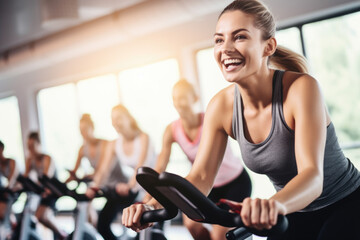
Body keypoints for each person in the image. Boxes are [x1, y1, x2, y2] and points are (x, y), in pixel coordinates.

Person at [122, 1, 360, 239]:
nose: (225, 48)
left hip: (345, 203)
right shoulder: (222, 106)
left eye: (239, 37)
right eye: (219, 39)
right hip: (293, 210)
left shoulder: (301, 89)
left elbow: (312, 175)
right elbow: (201, 176)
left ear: (268, 46)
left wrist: (273, 205)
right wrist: (152, 206)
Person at [148, 79, 252, 240]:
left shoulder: (210, 119)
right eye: (175, 98)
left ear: (194, 98)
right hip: (206, 187)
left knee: (220, 236)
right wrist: (150, 193)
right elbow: (161, 163)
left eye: (183, 97)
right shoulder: (172, 130)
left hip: (234, 183)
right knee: (192, 225)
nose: (179, 103)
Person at [87, 104, 156, 240]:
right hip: (134, 189)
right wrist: (94, 186)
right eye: (112, 120)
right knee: (102, 224)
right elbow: (103, 170)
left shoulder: (143, 138)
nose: (115, 123)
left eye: (118, 118)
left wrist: (130, 186)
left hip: (151, 188)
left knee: (145, 231)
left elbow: (141, 167)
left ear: (129, 118)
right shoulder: (114, 144)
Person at [23, 132, 68, 239]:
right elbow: (26, 177)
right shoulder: (30, 160)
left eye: (33, 146)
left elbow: (46, 178)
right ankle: (60, 234)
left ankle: (62, 234)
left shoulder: (47, 158)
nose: (31, 150)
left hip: (53, 191)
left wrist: (37, 185)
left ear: (39, 144)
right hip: (43, 191)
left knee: (41, 215)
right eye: (29, 147)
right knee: (38, 216)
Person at [65, 113, 107, 225]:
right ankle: (91, 227)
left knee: (88, 200)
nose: (82, 133)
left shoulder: (104, 144)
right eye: (80, 130)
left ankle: (94, 226)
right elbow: (74, 171)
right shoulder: (83, 149)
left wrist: (86, 176)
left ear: (92, 128)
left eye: (84, 129)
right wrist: (62, 184)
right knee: (84, 205)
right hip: (95, 181)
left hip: (107, 179)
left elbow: (101, 169)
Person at [0, 140, 19, 230]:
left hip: (19, 188)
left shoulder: (11, 161)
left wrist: (7, 188)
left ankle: (13, 222)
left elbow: (12, 179)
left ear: (1, 149)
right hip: (9, 189)